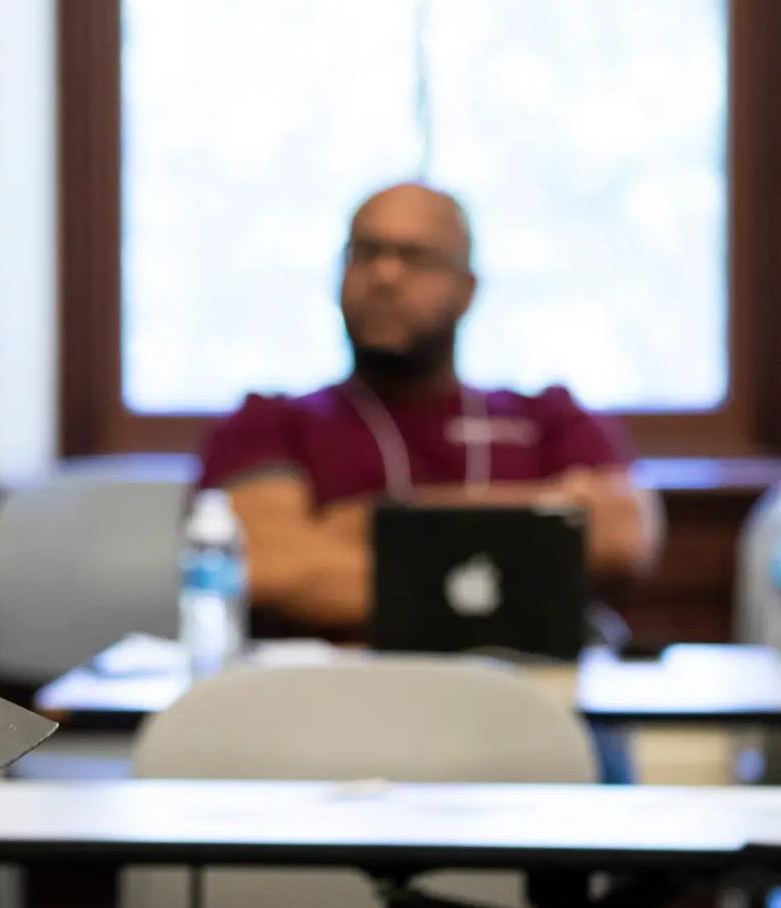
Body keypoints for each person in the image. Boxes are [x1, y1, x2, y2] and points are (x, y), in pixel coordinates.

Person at [193, 183, 661, 637]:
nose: (385, 276)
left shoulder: (548, 418)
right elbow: (272, 566)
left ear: (468, 288)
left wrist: (372, 520)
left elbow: (623, 538)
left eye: (415, 258)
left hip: (522, 697)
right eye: (365, 252)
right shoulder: (269, 424)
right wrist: (536, 533)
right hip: (330, 701)